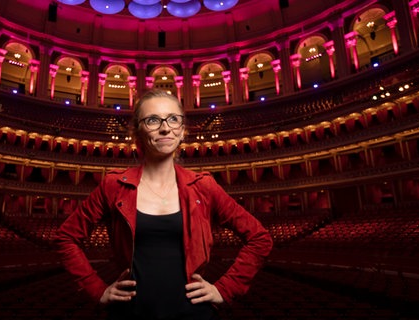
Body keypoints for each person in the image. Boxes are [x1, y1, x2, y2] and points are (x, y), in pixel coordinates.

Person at [55, 89, 273, 320]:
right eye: (152, 120)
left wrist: (226, 288)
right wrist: (96, 289)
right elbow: (66, 237)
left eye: (173, 119)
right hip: (130, 312)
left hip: (194, 313)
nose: (165, 127)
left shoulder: (204, 186)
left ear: (182, 131)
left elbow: (260, 238)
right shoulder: (113, 185)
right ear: (137, 132)